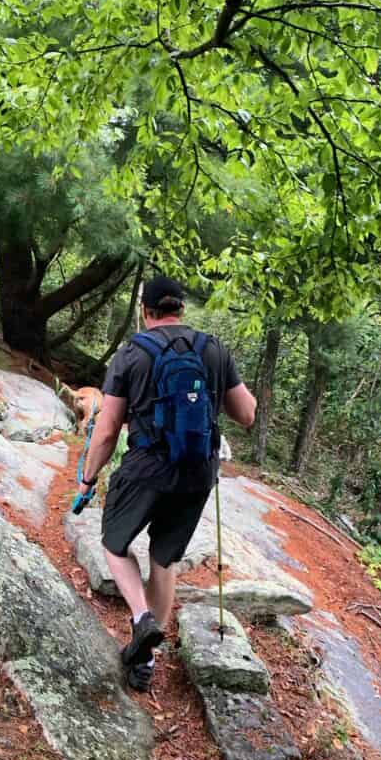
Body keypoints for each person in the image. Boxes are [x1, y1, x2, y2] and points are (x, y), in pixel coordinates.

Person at [79, 274, 256, 691]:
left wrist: (88, 480)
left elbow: (105, 433)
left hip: (146, 469)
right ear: (181, 309)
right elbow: (246, 414)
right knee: (165, 559)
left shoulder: (131, 355)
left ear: (145, 310)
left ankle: (142, 620)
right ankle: (147, 661)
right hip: (196, 473)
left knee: (114, 543)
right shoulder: (213, 349)